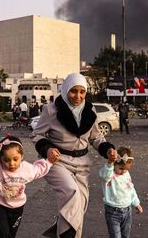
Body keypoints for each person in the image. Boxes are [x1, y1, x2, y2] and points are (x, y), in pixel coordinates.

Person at [30, 73, 118, 238]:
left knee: (80, 206)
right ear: (65, 90)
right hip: (57, 162)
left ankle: (61, 231)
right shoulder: (51, 110)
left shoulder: (90, 110)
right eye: (73, 91)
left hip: (82, 164)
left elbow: (96, 137)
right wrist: (47, 149)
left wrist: (108, 149)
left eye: (82, 92)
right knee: (72, 193)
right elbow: (37, 135)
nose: (78, 96)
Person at [0, 134, 59, 238]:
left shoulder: (26, 169)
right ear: (0, 158)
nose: (11, 163)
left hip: (17, 208)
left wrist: (50, 161)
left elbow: (39, 170)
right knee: (3, 233)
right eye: (6, 160)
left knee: (10, 235)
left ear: (22, 157)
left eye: (15, 159)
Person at [99, 147, 143, 238]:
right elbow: (104, 175)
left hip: (127, 211)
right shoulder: (109, 174)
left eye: (126, 169)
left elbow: (131, 189)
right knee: (115, 236)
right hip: (112, 212)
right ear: (115, 163)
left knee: (126, 235)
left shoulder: (126, 174)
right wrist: (110, 163)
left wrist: (136, 203)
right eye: (121, 168)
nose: (123, 171)